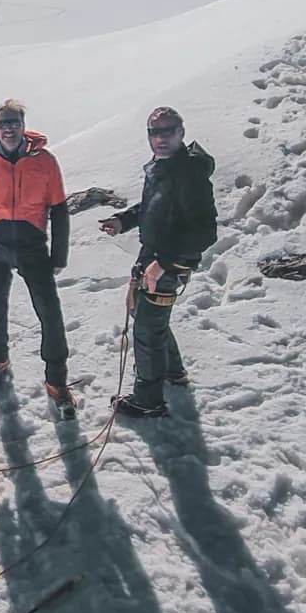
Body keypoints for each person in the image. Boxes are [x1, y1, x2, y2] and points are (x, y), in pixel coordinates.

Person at [100, 106, 217, 414]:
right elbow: (152, 207)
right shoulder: (162, 167)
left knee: (147, 330)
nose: (161, 138)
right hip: (154, 257)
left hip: (169, 263)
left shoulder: (189, 175)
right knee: (147, 318)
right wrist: (122, 220)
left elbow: (204, 231)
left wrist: (163, 262)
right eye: (155, 132)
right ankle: (173, 372)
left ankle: (149, 401)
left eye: (168, 131)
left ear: (181, 133)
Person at [0, 98, 74, 411]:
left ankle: (56, 380)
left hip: (31, 245)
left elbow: (60, 211)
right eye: (3, 123)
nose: (9, 128)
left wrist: (59, 255)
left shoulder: (45, 162)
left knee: (49, 311)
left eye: (14, 122)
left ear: (23, 127)